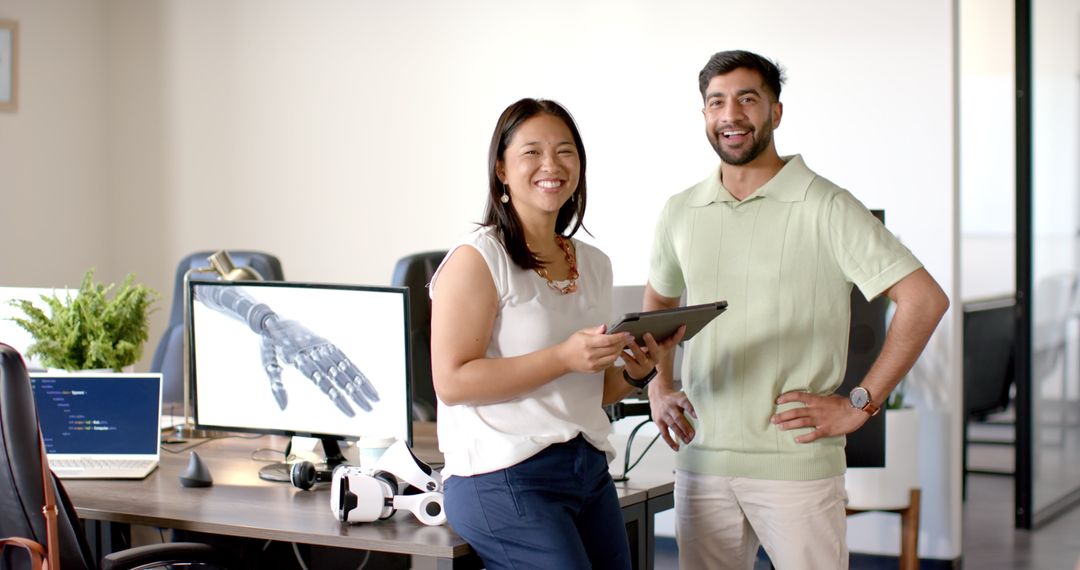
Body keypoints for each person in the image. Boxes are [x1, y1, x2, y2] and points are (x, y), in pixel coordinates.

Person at [644, 50, 950, 569]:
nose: (731, 115)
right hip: (702, 462)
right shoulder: (680, 210)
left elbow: (924, 299)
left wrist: (861, 404)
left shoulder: (826, 205)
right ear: (704, 117)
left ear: (775, 112)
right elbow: (660, 304)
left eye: (747, 99)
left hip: (797, 465)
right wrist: (660, 385)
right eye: (716, 102)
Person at [428, 98, 682, 570]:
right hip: (501, 475)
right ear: (501, 169)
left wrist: (637, 374)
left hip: (585, 468)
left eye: (565, 152)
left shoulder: (593, 263)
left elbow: (588, 390)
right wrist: (563, 356)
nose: (552, 165)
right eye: (532, 152)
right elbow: (452, 382)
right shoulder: (477, 259)